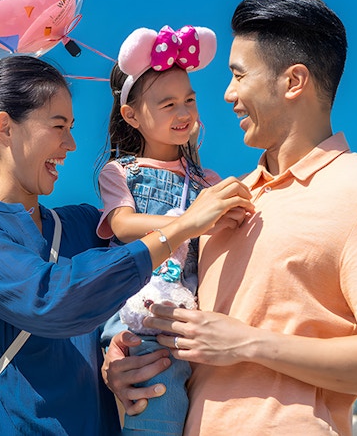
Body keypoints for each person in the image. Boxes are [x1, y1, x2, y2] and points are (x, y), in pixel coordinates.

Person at [0, 54, 253, 436]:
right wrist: (183, 225)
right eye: (59, 126)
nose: (72, 144)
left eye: (72, 127)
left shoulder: (82, 223)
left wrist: (114, 359)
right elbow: (48, 299)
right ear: (5, 128)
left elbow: (116, 307)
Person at [102, 0, 357, 436]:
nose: (228, 94)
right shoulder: (220, 200)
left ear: (293, 81)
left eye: (238, 76)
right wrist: (125, 357)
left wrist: (248, 344)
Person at [97, 24, 245, 435]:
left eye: (189, 100)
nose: (184, 113)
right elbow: (123, 226)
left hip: (190, 316)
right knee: (158, 410)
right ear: (132, 116)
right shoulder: (120, 172)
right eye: (168, 104)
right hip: (141, 313)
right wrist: (194, 222)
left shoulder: (207, 179)